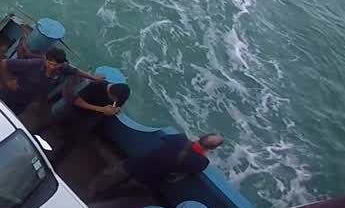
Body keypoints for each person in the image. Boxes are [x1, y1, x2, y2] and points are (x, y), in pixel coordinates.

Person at [88, 132, 224, 200]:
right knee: (124, 190)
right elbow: (191, 172)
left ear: (201, 136)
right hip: (148, 179)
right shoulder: (202, 162)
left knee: (109, 176)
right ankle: (104, 197)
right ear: (212, 149)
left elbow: (164, 138)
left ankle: (92, 191)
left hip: (135, 164)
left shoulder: (180, 138)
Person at [30, 80, 130, 160]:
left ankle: (55, 160)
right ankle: (32, 133)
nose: (114, 101)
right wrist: (101, 109)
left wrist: (115, 110)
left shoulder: (119, 95)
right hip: (75, 110)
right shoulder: (97, 86)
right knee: (52, 121)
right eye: (113, 99)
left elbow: (118, 106)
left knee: (72, 141)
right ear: (110, 93)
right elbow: (77, 102)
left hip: (88, 119)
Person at [0, 47, 102, 115]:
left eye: (56, 65)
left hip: (24, 101)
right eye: (50, 63)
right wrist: (8, 80)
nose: (52, 67)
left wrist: (93, 78)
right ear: (45, 59)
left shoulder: (62, 68)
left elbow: (76, 71)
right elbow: (5, 62)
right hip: (9, 95)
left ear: (61, 64)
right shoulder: (32, 64)